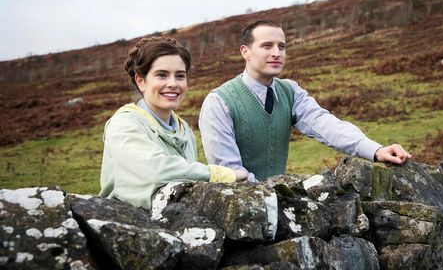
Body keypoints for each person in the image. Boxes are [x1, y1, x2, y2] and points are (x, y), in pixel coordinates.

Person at [199, 20, 412, 182]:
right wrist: (271, 198)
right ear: (245, 51)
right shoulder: (219, 102)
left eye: (281, 46)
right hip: (239, 212)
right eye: (267, 46)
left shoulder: (290, 91)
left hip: (277, 202)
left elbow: (324, 124)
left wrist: (375, 150)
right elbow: (229, 171)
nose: (276, 53)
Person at [100, 36, 247, 209]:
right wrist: (221, 175)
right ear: (141, 81)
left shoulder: (184, 129)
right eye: (161, 75)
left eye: (180, 76)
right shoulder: (123, 125)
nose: (173, 84)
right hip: (127, 224)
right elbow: (156, 170)